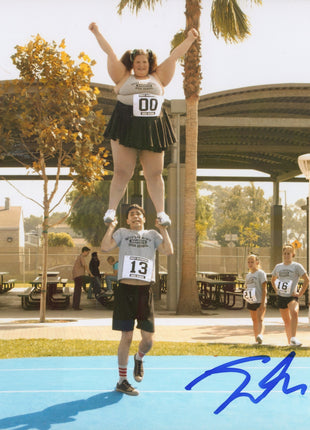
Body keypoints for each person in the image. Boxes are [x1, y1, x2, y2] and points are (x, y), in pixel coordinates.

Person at [89, 22, 198, 227]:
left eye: (144, 63)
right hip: (126, 123)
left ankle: (161, 212)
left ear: (150, 63)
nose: (141, 65)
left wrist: (190, 39)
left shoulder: (158, 77)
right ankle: (111, 210)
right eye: (137, 62)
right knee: (122, 172)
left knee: (154, 173)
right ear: (132, 63)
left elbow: (175, 55)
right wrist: (96, 32)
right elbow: (110, 52)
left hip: (152, 127)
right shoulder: (123, 77)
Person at [101, 203, 173, 396]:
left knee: (148, 341)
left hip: (144, 292)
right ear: (127, 220)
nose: (135, 216)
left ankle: (139, 358)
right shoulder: (123, 233)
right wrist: (111, 227)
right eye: (132, 214)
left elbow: (168, 251)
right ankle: (122, 380)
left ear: (144, 218)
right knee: (126, 336)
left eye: (138, 214)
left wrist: (163, 230)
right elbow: (105, 247)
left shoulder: (152, 235)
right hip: (125, 290)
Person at [271, 244, 309, 346]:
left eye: (289, 253)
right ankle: (290, 343)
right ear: (283, 254)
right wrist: (276, 290)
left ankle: (293, 337)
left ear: (293, 254)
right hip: (281, 296)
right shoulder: (278, 267)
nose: (287, 255)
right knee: (286, 321)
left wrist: (300, 293)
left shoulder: (297, 266)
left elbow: (307, 279)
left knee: (294, 313)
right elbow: (273, 280)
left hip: (292, 296)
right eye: (285, 253)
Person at [243, 254, 267, 344]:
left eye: (252, 262)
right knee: (254, 320)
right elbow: (247, 287)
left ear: (257, 262)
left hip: (259, 300)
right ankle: (257, 339)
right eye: (248, 262)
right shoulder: (248, 275)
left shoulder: (260, 273)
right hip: (251, 300)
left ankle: (260, 335)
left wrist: (263, 302)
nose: (250, 264)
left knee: (260, 318)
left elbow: (264, 288)